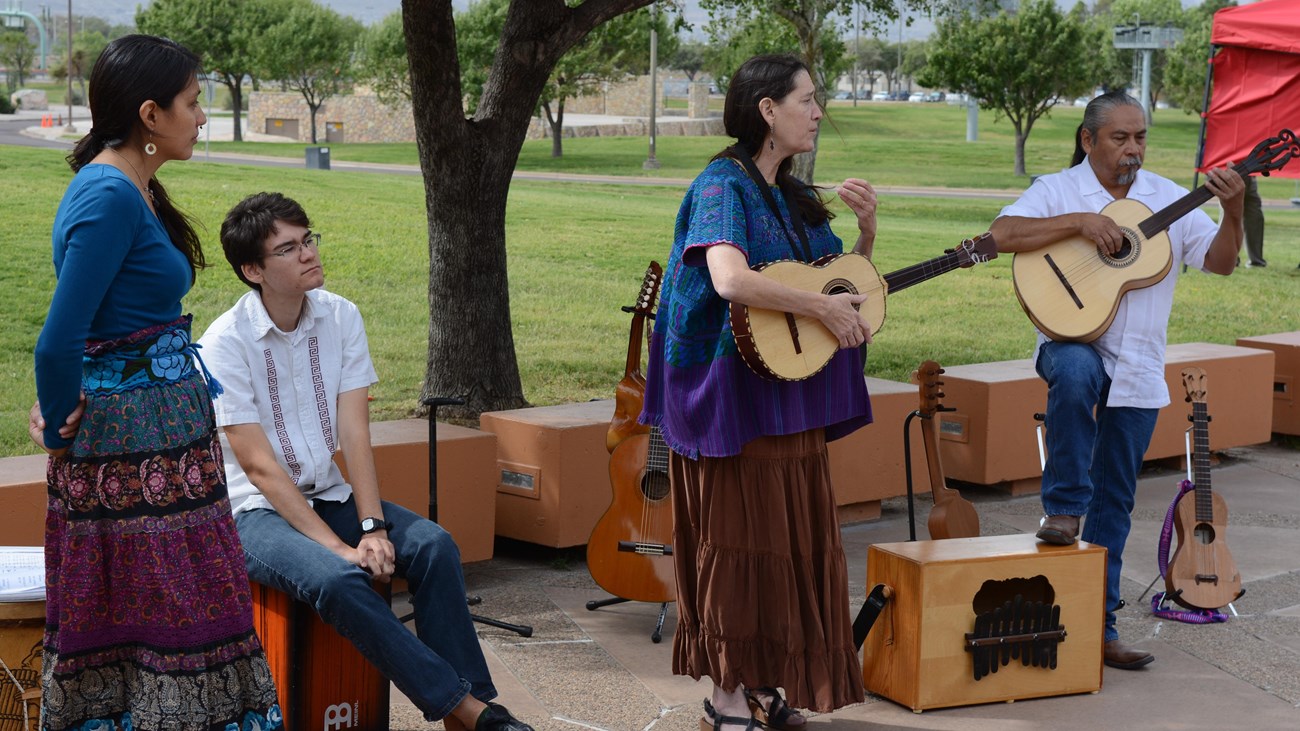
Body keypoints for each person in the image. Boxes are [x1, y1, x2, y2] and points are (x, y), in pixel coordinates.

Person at [197, 192, 533, 731]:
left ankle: (465, 717)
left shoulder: (340, 316)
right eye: (289, 248)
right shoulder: (223, 344)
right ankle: (469, 710)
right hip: (252, 514)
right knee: (336, 579)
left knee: (433, 546)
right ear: (253, 269)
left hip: (328, 495)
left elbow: (355, 432)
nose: (308, 254)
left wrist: (373, 527)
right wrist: (337, 548)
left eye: (309, 239)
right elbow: (257, 467)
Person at [30, 34, 282, 730]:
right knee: (162, 607)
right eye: (194, 102)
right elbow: (57, 339)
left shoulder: (133, 186)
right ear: (150, 113)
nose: (201, 116)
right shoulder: (108, 195)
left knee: (175, 603)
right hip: (130, 457)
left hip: (162, 451)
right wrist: (58, 427)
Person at [639, 54, 879, 731]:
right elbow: (728, 280)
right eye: (806, 99)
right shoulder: (723, 184)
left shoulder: (791, 193)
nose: (817, 110)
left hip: (783, 387)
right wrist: (818, 307)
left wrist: (865, 233)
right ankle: (726, 694)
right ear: (767, 110)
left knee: (789, 541)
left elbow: (835, 282)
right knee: (738, 541)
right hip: (729, 395)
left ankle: (765, 683)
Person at [989, 91, 1245, 670]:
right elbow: (1003, 234)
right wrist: (1081, 221)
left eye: (1140, 138)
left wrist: (1233, 211)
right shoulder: (1058, 189)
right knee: (1077, 368)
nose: (1133, 149)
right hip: (1069, 345)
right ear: (1088, 139)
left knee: (1117, 504)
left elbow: (1222, 262)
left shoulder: (1169, 199)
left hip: (1139, 369)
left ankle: (1097, 628)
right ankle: (1061, 507)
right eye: (1119, 138)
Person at [1242, 175, 1266, 267]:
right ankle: (1228, 259)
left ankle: (1256, 260)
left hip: (1250, 173)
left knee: (1255, 215)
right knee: (1230, 216)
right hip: (1230, 171)